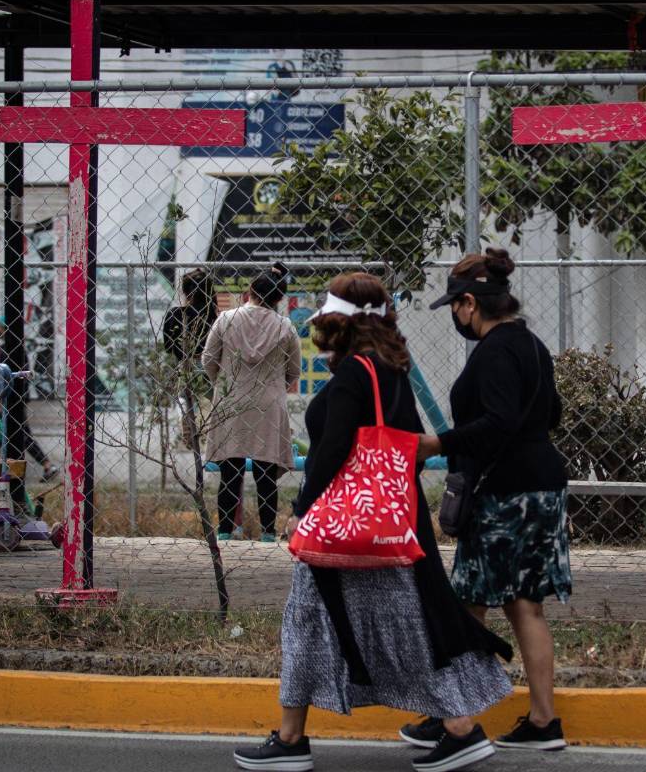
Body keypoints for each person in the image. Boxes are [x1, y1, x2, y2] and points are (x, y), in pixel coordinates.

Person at [233, 272, 514, 772]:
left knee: (309, 623)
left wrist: (303, 512)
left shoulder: (354, 376)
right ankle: (449, 727)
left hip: (342, 529)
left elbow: (332, 450)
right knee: (404, 626)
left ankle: (453, 728)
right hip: (387, 524)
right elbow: (409, 449)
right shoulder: (391, 369)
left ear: (338, 323)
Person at [409, 248, 571, 751]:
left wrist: (439, 443)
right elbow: (553, 413)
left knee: (469, 605)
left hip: (506, 494)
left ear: (471, 304)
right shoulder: (532, 346)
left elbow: (498, 422)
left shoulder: (496, 351)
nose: (456, 315)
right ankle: (543, 720)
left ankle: (454, 718)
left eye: (455, 307)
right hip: (541, 486)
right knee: (525, 604)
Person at [201, 263, 300, 542]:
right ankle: (268, 535)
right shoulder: (285, 326)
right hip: (269, 403)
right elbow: (294, 369)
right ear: (279, 299)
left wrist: (223, 383)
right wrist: (274, 384)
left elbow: (208, 359)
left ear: (249, 291)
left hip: (231, 399)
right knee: (266, 471)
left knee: (230, 472)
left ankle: (224, 533)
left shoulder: (226, 320)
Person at [0, 324, 58, 484]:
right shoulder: (11, 348)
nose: (1, 331)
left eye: (3, 328)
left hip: (10, 400)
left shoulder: (4, 350)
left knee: (12, 434)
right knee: (11, 434)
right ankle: (46, 465)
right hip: (14, 398)